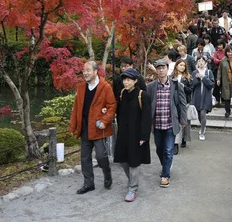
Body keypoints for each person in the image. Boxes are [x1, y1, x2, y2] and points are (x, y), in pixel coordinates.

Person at [69, 61, 116, 194]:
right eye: (84, 70)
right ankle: (88, 183)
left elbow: (112, 106)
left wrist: (104, 120)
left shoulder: (105, 87)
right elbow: (76, 108)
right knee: (85, 157)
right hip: (84, 126)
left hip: (98, 128)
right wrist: (73, 126)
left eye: (88, 70)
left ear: (96, 72)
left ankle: (107, 176)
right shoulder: (81, 87)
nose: (85, 73)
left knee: (101, 156)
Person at [147, 59, 187, 188]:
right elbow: (147, 105)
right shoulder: (151, 86)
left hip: (170, 123)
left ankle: (165, 175)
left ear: (167, 69)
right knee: (159, 149)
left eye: (163, 67)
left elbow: (182, 103)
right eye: (158, 68)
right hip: (157, 123)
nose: (161, 70)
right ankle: (166, 165)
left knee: (169, 150)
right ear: (156, 70)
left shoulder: (176, 85)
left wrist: (183, 120)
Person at [113, 68, 151, 202]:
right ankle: (132, 180)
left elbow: (147, 118)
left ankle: (133, 189)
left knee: (133, 161)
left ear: (135, 81)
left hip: (136, 133)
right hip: (123, 132)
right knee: (123, 160)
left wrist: (144, 136)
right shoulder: (122, 94)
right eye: (124, 79)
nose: (125, 82)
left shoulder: (143, 95)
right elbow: (118, 111)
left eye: (128, 79)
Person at [191, 56, 215, 140]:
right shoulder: (194, 72)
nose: (200, 62)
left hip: (206, 95)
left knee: (203, 113)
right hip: (197, 95)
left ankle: (202, 132)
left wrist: (203, 77)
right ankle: (203, 125)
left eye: (202, 61)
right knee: (198, 114)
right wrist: (197, 78)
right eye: (199, 61)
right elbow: (192, 85)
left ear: (205, 63)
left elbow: (211, 84)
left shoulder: (209, 72)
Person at [171, 59, 192, 151]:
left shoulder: (187, 77)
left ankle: (183, 138)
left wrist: (183, 86)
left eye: (184, 65)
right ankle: (175, 143)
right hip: (174, 102)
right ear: (176, 66)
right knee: (176, 121)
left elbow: (190, 90)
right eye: (180, 65)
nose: (182, 67)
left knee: (184, 122)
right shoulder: (171, 76)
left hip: (184, 102)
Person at [212, 40, 226, 104]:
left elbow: (226, 60)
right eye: (218, 45)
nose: (219, 46)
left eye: (220, 45)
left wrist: (219, 61)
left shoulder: (225, 52)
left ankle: (223, 99)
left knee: (223, 84)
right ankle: (217, 99)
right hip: (217, 69)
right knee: (216, 85)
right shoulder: (215, 52)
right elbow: (215, 60)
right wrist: (221, 61)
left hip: (224, 70)